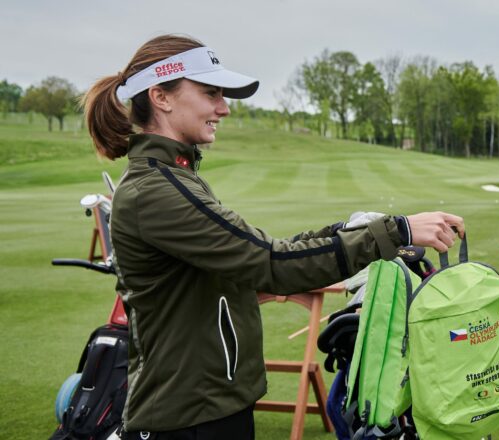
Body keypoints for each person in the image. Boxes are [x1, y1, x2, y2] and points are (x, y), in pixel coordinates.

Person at [82, 34, 464, 440]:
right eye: (211, 93)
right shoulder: (157, 191)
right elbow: (271, 263)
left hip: (208, 407)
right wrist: (396, 231)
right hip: (188, 416)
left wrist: (348, 232)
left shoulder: (177, 179)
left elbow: (253, 253)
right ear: (161, 96)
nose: (223, 108)